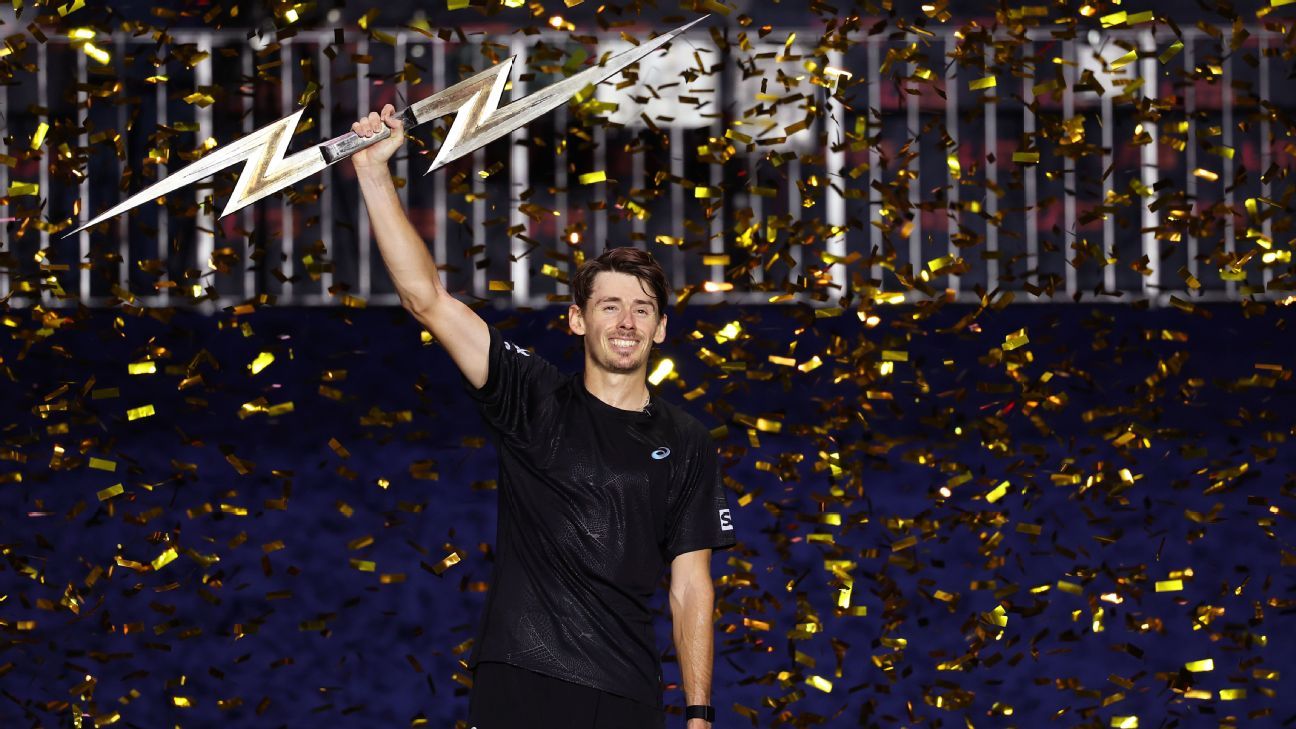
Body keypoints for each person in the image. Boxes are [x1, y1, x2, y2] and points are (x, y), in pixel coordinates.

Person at [350, 105, 736, 729]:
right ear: (579, 321)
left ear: (661, 328)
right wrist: (371, 170)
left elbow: (691, 586)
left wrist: (698, 713)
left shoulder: (686, 440)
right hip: (518, 681)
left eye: (642, 310)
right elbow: (426, 299)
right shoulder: (531, 397)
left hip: (626, 695)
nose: (626, 322)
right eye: (609, 306)